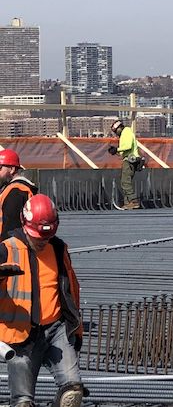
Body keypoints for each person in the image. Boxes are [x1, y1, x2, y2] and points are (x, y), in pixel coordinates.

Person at [0, 194, 86, 407]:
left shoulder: (58, 248)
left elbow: (70, 291)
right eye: (38, 237)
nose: (42, 241)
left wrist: (76, 330)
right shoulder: (6, 249)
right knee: (22, 402)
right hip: (21, 335)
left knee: (72, 394)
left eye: (46, 237)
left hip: (56, 330)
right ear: (25, 223)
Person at [0, 148, 37, 239]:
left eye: (0, 168)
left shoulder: (16, 192)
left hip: (10, 247)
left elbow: (11, 226)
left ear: (12, 169)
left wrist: (3, 249)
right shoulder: (16, 188)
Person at [108, 119, 141, 210]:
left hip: (129, 160)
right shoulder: (125, 133)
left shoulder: (126, 132)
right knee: (125, 182)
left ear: (119, 128)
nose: (116, 133)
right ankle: (128, 203)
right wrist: (117, 151)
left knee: (125, 182)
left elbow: (128, 146)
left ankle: (133, 201)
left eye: (115, 131)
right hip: (128, 159)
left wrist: (117, 150)